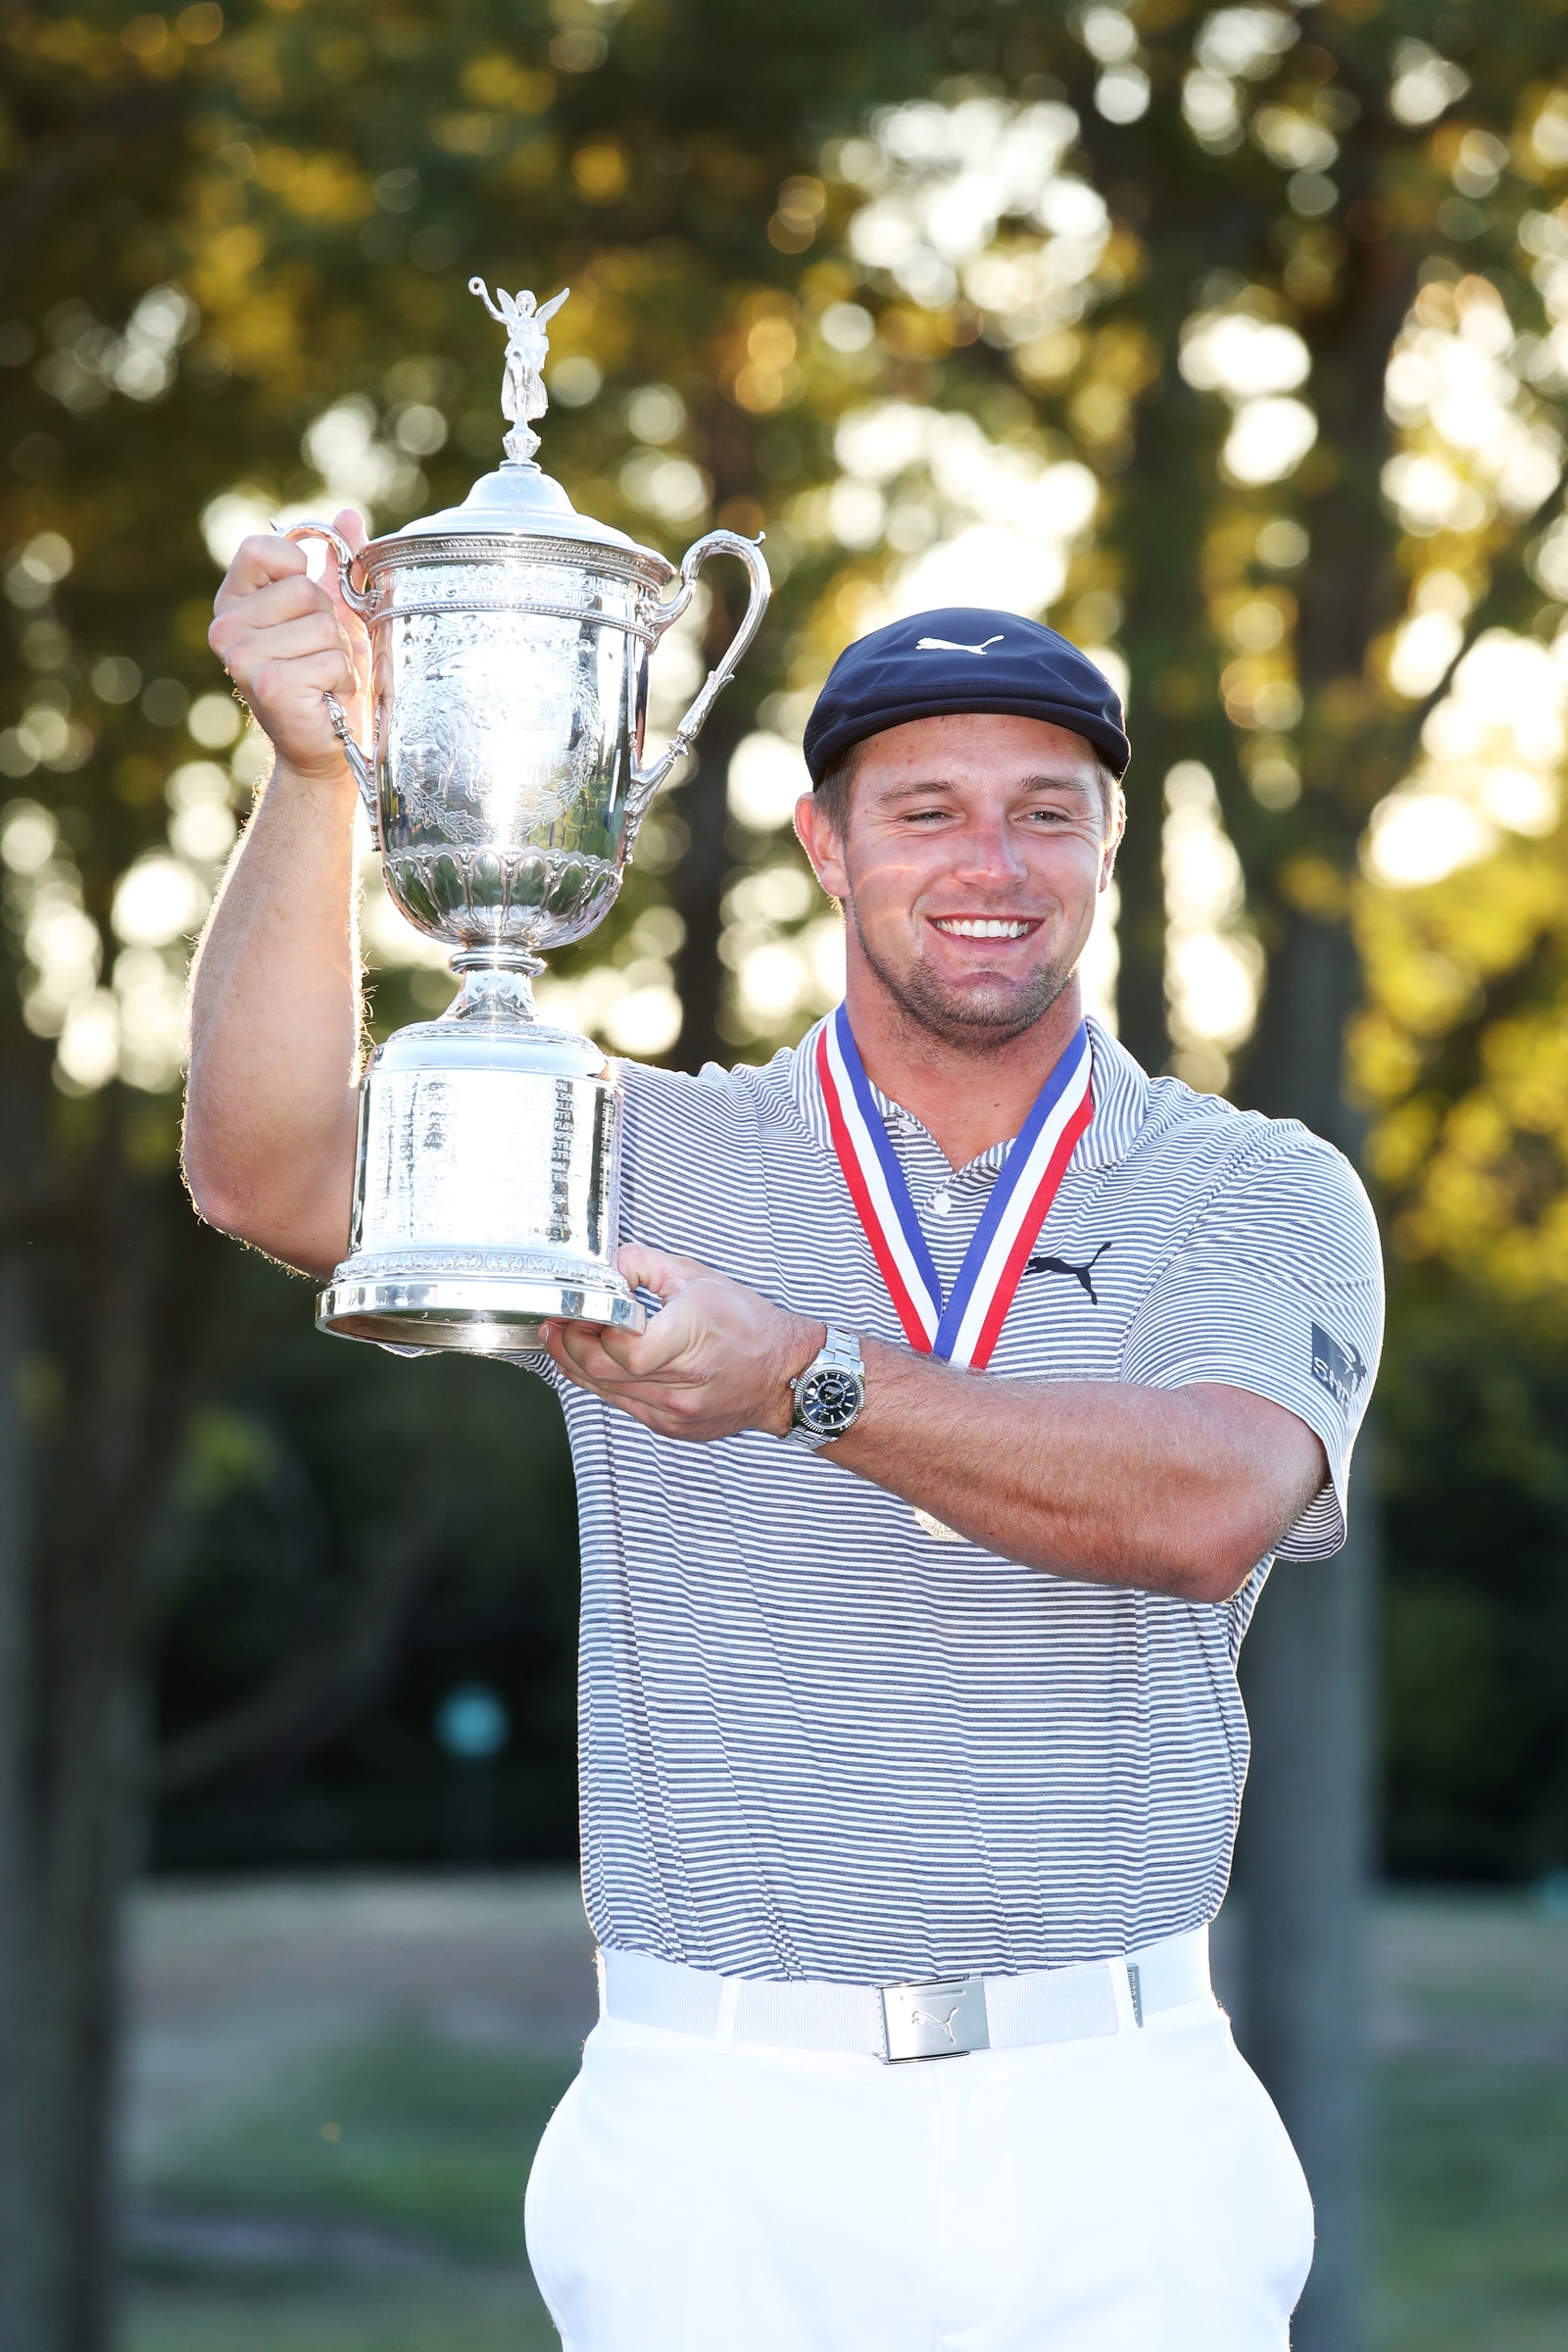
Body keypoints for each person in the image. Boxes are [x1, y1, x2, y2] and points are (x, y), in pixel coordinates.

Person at [187, 514, 1384, 2352]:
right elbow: (270, 1173)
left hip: (1120, 2110)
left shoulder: (1255, 1185)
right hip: (720, 2118)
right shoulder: (641, 1152)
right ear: (827, 846)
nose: (991, 862)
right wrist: (307, 775)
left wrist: (809, 1381)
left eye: (1046, 811)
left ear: (1108, 848)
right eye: (924, 811)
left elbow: (1215, 1498)